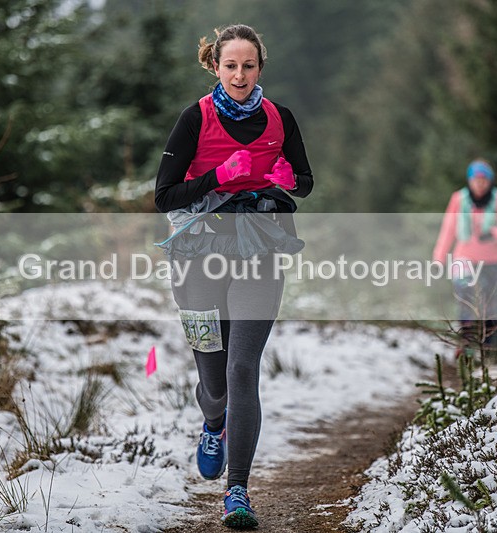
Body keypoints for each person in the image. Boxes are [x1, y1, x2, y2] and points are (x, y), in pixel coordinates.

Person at [154, 24, 313, 528]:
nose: (240, 75)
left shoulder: (279, 118)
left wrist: (289, 179)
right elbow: (165, 195)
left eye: (248, 65)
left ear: (260, 67)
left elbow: (304, 182)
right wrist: (216, 178)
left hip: (259, 248)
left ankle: (237, 490)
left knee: (242, 369)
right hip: (197, 253)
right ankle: (214, 421)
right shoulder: (194, 119)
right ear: (215, 67)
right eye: (231, 66)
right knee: (215, 380)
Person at [432, 159, 497, 358]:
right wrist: (439, 259)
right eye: (476, 180)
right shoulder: (459, 199)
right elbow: (448, 230)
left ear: (489, 181)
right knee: (465, 298)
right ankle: (467, 344)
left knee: (491, 303)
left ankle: (487, 348)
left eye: (483, 180)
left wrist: (495, 233)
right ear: (470, 181)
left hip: (494, 261)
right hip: (463, 259)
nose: (479, 184)